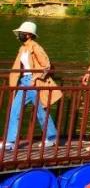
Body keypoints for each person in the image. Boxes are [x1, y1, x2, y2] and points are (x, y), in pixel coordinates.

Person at [4, 21, 58, 151]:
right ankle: (10, 142)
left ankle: (51, 138)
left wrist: (35, 78)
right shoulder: (22, 48)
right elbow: (18, 67)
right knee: (15, 110)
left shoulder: (36, 47)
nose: (19, 35)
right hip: (24, 82)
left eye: (22, 33)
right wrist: (15, 81)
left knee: (41, 111)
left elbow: (46, 65)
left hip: (34, 82)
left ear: (29, 34)